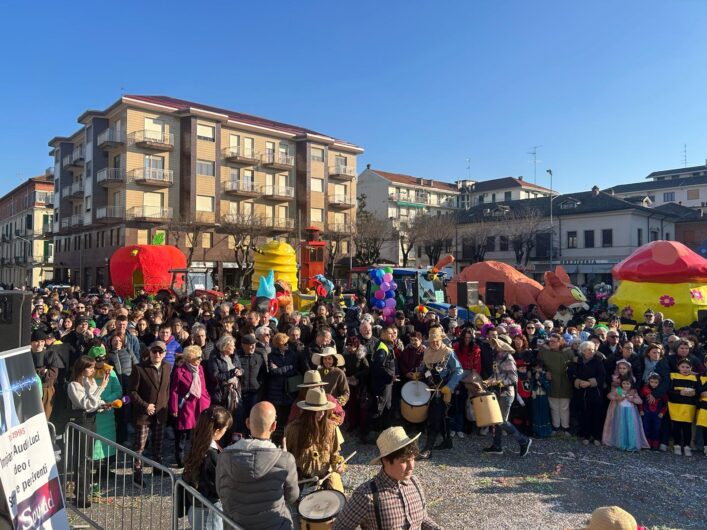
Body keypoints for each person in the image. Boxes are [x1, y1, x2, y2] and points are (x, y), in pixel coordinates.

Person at [333, 426, 441, 530]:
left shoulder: (415, 482)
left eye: (412, 459)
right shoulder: (366, 495)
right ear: (385, 460)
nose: (411, 466)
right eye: (404, 461)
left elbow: (423, 519)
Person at [216, 401, 299, 530]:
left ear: (248, 423)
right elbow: (292, 496)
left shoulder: (224, 456)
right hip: (275, 525)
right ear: (274, 426)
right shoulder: (286, 459)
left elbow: (221, 491)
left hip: (236, 525)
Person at [67, 355, 110, 508]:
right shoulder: (73, 385)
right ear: (82, 368)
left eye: (93, 367)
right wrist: (102, 387)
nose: (92, 370)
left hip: (92, 420)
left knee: (88, 459)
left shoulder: (89, 381)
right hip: (81, 421)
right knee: (82, 460)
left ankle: (83, 492)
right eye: (90, 367)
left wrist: (103, 405)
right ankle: (81, 496)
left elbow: (94, 402)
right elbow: (85, 403)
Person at [283, 387, 346, 492]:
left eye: (323, 411)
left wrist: (338, 465)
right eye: (317, 411)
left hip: (324, 475)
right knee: (292, 502)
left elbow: (335, 454)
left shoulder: (331, 427)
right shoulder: (293, 429)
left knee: (337, 497)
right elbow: (287, 456)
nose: (321, 414)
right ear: (308, 412)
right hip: (300, 476)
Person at [129, 340, 172, 487]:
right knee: (140, 445)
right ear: (150, 352)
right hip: (143, 414)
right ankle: (137, 473)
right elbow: (132, 392)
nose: (157, 354)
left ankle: (157, 467)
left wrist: (164, 406)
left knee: (158, 443)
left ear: (165, 353)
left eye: (160, 352)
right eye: (154, 351)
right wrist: (145, 405)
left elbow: (166, 390)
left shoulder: (167, 367)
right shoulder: (139, 368)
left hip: (160, 413)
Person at [182, 406, 232, 530]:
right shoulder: (211, 455)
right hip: (209, 509)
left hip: (196, 505)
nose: (226, 431)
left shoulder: (196, 444)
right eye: (225, 429)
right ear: (216, 431)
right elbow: (217, 487)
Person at [417, 326, 463, 459]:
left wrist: (450, 386)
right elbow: (425, 368)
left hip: (444, 389)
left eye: (437, 341)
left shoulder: (448, 352)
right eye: (432, 341)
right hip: (430, 389)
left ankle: (428, 449)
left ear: (441, 340)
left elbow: (458, 370)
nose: (435, 343)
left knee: (434, 418)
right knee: (442, 417)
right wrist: (418, 374)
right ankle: (447, 441)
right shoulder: (427, 352)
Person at [482, 337, 532, 457]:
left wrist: (497, 382)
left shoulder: (508, 359)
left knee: (501, 420)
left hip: (506, 393)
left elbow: (514, 379)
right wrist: (487, 381)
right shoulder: (498, 358)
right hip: (498, 392)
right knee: (496, 420)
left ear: (503, 347)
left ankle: (524, 441)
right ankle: (497, 446)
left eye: (497, 345)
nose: (495, 346)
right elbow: (495, 375)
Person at [170, 345, 212, 468]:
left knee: (197, 433)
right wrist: (174, 408)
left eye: (200, 357)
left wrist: (207, 398)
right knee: (182, 434)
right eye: (197, 357)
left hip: (200, 405)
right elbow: (174, 391)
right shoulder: (180, 371)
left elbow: (203, 386)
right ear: (190, 358)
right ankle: (180, 458)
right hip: (186, 406)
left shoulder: (201, 369)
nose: (200, 359)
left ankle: (195, 457)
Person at [568, 341, 606, 446]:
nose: (591, 352)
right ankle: (586, 435)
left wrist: (590, 383)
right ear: (583, 351)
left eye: (593, 349)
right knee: (584, 414)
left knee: (596, 415)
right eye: (589, 350)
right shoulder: (577, 361)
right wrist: (578, 382)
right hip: (581, 392)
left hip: (595, 392)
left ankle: (597, 436)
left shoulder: (598, 361)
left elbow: (602, 376)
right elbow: (571, 374)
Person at [537, 333, 576, 436]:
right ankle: (555, 426)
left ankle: (565, 427)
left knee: (564, 406)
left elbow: (574, 365)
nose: (551, 343)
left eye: (554, 341)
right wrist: (545, 372)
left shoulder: (568, 352)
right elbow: (538, 364)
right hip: (551, 381)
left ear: (560, 342)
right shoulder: (544, 351)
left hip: (565, 382)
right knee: (553, 406)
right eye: (550, 341)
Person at [602, 375, 649, 451]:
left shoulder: (633, 392)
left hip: (631, 413)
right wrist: (617, 398)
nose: (626, 385)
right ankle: (622, 444)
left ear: (631, 384)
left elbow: (640, 401)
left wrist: (633, 399)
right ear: (621, 383)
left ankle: (631, 444)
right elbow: (609, 395)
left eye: (628, 384)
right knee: (621, 427)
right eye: (624, 383)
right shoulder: (619, 390)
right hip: (621, 412)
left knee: (631, 427)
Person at [667, 358, 698, 456]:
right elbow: (669, 391)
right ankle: (677, 445)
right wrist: (680, 392)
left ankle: (687, 446)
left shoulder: (694, 379)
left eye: (687, 367)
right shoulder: (673, 376)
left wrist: (694, 393)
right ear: (678, 367)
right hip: (675, 406)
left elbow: (698, 392)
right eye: (683, 367)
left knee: (687, 427)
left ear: (691, 368)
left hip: (689, 407)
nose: (685, 369)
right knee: (676, 426)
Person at [639, 373, 668, 450]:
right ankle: (646, 445)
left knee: (657, 428)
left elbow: (665, 404)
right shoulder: (644, 390)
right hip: (646, 412)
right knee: (646, 428)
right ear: (649, 381)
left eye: (656, 382)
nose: (654, 384)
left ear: (659, 382)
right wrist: (641, 410)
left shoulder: (662, 392)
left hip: (657, 414)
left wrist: (662, 412)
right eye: (652, 382)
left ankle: (655, 445)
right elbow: (641, 400)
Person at [530, 359, 553, 438]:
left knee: (544, 413)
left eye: (539, 368)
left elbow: (547, 387)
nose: (537, 369)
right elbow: (531, 385)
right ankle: (536, 431)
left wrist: (540, 379)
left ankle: (545, 432)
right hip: (535, 397)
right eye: (536, 368)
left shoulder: (545, 375)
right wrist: (532, 390)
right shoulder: (533, 375)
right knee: (536, 414)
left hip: (543, 397)